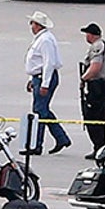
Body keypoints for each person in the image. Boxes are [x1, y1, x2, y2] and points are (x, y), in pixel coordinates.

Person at [24, 11, 71, 155]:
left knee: (39, 112)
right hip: (39, 77)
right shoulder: (41, 38)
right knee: (42, 110)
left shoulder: (45, 40)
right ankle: (61, 138)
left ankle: (37, 145)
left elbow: (48, 63)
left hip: (45, 77)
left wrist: (45, 84)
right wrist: (32, 79)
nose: (31, 26)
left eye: (32, 23)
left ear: (38, 25)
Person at [79, 22, 105, 159]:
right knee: (101, 116)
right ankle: (101, 146)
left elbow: (95, 67)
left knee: (92, 117)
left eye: (87, 34)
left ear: (91, 35)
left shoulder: (97, 47)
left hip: (97, 86)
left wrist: (84, 79)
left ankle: (99, 146)